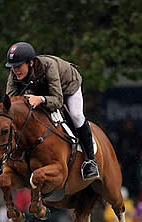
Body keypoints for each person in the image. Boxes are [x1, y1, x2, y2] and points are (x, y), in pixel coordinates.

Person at [5, 41, 99, 181]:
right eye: (13, 67)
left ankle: (90, 161)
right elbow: (10, 103)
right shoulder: (14, 74)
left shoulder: (49, 66)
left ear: (30, 63)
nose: (15, 70)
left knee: (76, 115)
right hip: (41, 90)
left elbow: (58, 100)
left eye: (18, 66)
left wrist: (41, 99)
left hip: (67, 88)